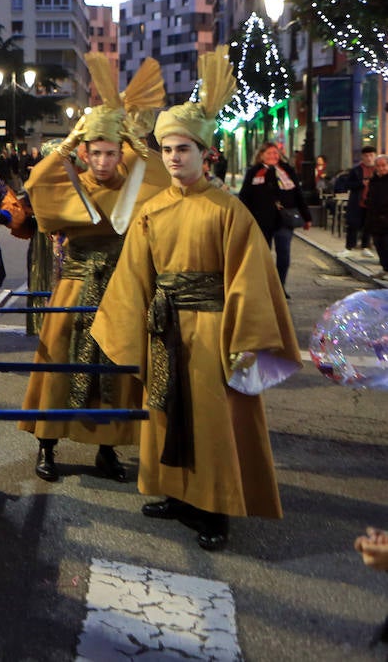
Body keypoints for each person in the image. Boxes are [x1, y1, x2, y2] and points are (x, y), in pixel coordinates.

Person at [91, 47, 303, 552]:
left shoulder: (228, 210)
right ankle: (176, 493)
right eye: (167, 150)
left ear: (204, 153)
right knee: (165, 411)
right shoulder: (153, 210)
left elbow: (250, 277)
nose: (173, 158)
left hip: (211, 329)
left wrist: (243, 336)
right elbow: (133, 275)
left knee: (211, 420)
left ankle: (214, 507)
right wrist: (128, 327)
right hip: (164, 328)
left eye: (183, 149)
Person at [18, 54, 167, 484]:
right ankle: (47, 444)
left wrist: (138, 143)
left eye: (110, 152)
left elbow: (161, 178)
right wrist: (67, 141)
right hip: (77, 282)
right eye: (95, 152)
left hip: (120, 286)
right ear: (84, 153)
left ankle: (107, 448)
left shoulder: (134, 185)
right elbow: (38, 183)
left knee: (116, 369)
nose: (103, 161)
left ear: (119, 152)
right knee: (58, 360)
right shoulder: (74, 183)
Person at [237, 141, 313, 295]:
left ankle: (279, 286)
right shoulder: (254, 172)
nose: (273, 156)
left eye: (275, 153)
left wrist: (307, 217)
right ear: (261, 155)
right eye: (269, 153)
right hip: (261, 221)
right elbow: (244, 197)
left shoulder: (287, 170)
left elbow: (298, 194)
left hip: (284, 220)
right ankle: (263, 286)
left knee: (284, 253)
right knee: (262, 255)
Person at [336, 146, 377, 256]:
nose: (369, 158)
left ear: (375, 156)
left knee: (367, 225)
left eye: (371, 155)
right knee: (353, 224)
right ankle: (349, 247)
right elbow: (348, 185)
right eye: (366, 156)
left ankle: (365, 247)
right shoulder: (356, 170)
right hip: (357, 201)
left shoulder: (378, 170)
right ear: (362, 157)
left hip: (372, 202)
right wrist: (361, 184)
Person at [362, 155, 388, 278]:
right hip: (375, 218)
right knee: (379, 244)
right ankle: (385, 268)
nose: (381, 168)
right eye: (378, 166)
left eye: (383, 165)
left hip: (386, 217)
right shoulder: (374, 180)